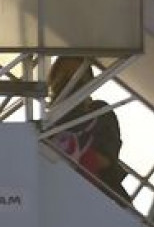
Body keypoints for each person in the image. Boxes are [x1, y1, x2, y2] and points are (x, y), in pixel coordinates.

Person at [44, 56, 128, 199]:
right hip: (58, 193)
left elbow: (107, 158)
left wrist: (76, 155)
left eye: (76, 77)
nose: (69, 82)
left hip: (101, 193)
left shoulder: (100, 112)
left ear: (88, 81)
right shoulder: (45, 122)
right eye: (64, 75)